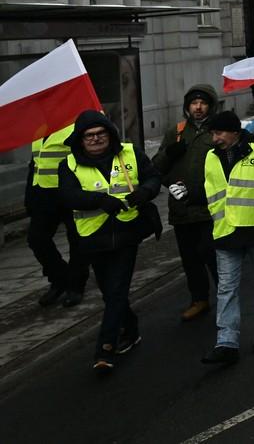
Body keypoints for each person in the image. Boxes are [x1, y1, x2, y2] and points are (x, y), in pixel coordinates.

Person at [173, 111, 254, 365]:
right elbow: (211, 191)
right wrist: (188, 196)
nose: (215, 138)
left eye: (219, 133)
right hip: (225, 232)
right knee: (226, 289)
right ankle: (227, 342)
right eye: (213, 133)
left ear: (235, 132)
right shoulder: (211, 157)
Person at [58, 109, 161, 373]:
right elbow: (68, 197)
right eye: (88, 136)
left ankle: (105, 349)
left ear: (109, 133)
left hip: (127, 233)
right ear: (80, 140)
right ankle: (132, 327)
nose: (95, 139)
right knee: (110, 293)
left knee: (117, 291)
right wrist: (100, 200)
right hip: (93, 237)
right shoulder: (68, 164)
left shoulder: (129, 152)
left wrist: (146, 191)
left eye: (100, 133)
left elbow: (153, 176)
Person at [152, 84, 220, 322]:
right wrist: (169, 157)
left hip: (210, 208)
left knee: (213, 255)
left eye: (202, 103)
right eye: (193, 103)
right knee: (190, 259)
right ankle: (199, 299)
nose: (198, 107)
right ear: (187, 107)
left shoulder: (217, 130)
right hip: (182, 210)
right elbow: (156, 168)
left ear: (210, 105)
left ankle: (226, 297)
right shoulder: (177, 132)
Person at [26, 120, 89, 309]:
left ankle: (76, 286)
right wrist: (30, 195)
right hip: (44, 193)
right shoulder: (39, 128)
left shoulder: (75, 127)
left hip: (70, 190)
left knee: (77, 240)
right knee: (36, 239)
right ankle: (60, 278)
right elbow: (35, 163)